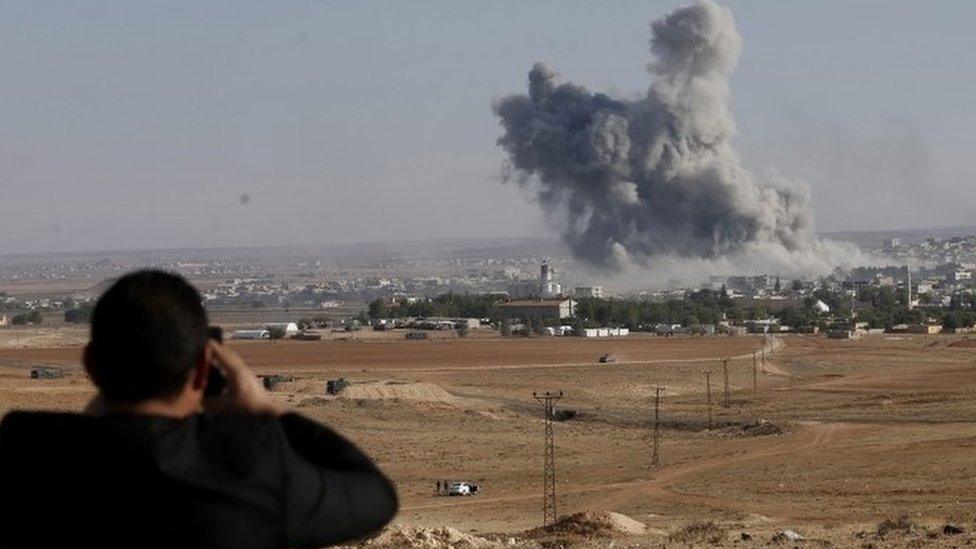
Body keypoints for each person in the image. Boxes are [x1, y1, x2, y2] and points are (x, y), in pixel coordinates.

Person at [0, 270, 397, 548]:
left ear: (90, 364)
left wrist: (95, 425)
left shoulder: (26, 450)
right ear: (204, 370)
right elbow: (376, 497)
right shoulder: (250, 463)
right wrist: (270, 410)